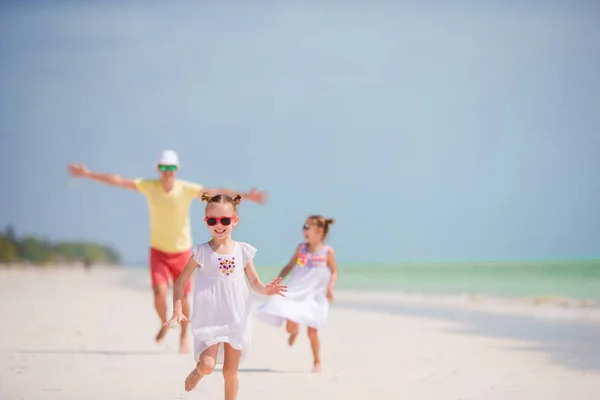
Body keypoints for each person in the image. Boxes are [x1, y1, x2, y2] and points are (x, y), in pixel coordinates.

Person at [67, 150, 268, 353]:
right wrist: (88, 174)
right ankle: (165, 323)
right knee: (159, 294)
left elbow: (215, 191)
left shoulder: (185, 188)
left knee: (183, 298)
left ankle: (183, 336)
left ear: (176, 169)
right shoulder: (149, 186)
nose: (167, 171)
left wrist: (246, 196)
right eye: (163, 168)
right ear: (158, 169)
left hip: (182, 251)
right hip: (159, 251)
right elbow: (119, 181)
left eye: (171, 168)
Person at [164, 193, 286, 399]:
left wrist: (267, 289)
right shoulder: (202, 252)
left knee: (230, 371)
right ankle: (198, 372)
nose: (218, 225)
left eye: (225, 220)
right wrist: (177, 308)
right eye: (213, 220)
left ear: (235, 221)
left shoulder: (243, 251)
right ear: (206, 222)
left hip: (236, 317)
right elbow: (181, 281)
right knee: (207, 365)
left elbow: (254, 282)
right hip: (210, 317)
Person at [255, 215, 338, 373]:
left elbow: (334, 271)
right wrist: (278, 280)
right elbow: (290, 265)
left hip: (315, 296)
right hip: (296, 292)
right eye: (304, 226)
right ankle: (295, 332)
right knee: (290, 328)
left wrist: (330, 288)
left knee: (313, 332)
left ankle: (317, 362)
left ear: (319, 231)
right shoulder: (302, 249)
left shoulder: (328, 252)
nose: (304, 230)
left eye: (308, 227)